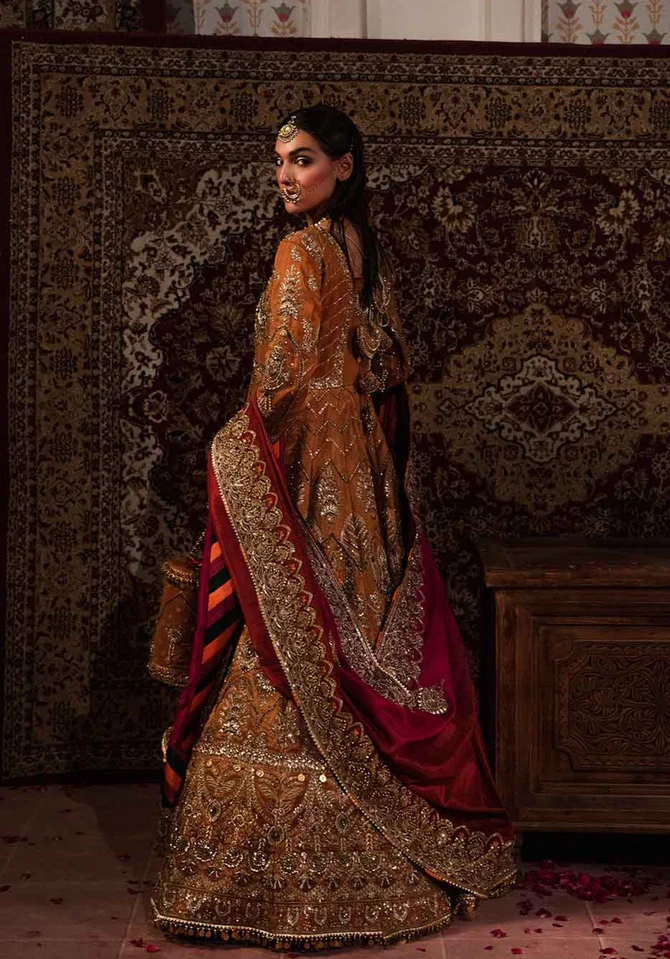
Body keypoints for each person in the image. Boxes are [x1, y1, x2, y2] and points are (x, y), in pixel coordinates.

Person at [150, 104, 515, 950]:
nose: (286, 175)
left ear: (344, 166)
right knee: (354, 639)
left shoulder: (303, 250)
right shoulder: (364, 247)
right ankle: (397, 861)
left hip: (310, 462)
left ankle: (278, 880)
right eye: (280, 160)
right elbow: (389, 363)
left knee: (292, 638)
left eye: (304, 159)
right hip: (363, 467)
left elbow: (277, 375)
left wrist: (239, 450)